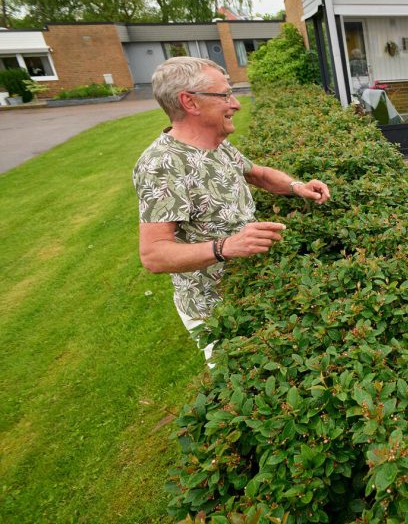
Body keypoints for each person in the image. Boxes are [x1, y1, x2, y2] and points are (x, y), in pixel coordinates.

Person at [133, 56, 331, 363]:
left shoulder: (216, 144)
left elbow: (257, 173)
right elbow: (154, 255)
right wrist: (226, 247)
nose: (235, 104)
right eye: (224, 95)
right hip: (215, 313)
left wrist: (297, 187)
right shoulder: (163, 165)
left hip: (248, 293)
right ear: (190, 102)